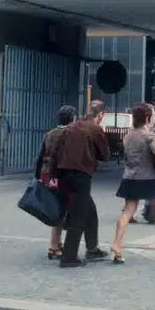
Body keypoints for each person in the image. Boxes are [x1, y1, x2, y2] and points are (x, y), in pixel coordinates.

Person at [110, 103, 155, 264]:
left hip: (130, 177)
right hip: (150, 178)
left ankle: (116, 246)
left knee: (127, 212)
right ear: (147, 118)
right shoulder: (149, 136)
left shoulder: (128, 136)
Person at [53, 101, 111, 268]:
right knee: (78, 215)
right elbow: (105, 155)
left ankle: (92, 249)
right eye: (102, 116)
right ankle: (69, 257)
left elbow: (57, 150)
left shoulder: (71, 127)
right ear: (100, 114)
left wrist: (53, 175)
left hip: (64, 174)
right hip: (81, 175)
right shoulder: (95, 129)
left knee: (89, 211)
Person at [34, 105, 77, 260]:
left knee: (55, 207)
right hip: (58, 175)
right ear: (72, 119)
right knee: (62, 208)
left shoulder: (50, 133)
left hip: (46, 173)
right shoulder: (68, 134)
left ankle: (56, 243)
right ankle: (54, 245)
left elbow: (41, 155)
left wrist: (37, 175)